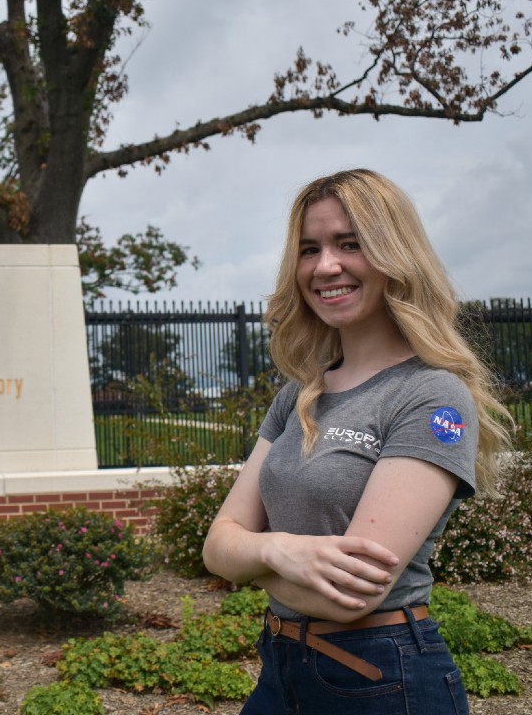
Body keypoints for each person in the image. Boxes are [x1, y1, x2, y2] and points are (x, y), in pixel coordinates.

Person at [202, 169, 510, 714]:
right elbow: (216, 546)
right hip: (280, 669)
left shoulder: (431, 396)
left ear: (395, 254)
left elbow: (350, 596)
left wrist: (250, 561)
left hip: (379, 677)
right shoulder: (299, 395)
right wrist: (282, 549)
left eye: (350, 244)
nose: (325, 266)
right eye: (309, 249)